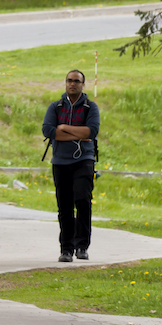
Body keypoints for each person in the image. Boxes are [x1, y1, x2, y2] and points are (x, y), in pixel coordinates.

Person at [42, 69, 99, 262]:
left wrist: (64, 128)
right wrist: (78, 133)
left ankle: (82, 246)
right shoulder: (55, 107)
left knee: (82, 200)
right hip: (60, 161)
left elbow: (91, 131)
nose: (72, 84)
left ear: (83, 85)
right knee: (64, 206)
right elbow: (48, 130)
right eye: (69, 80)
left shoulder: (91, 108)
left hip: (84, 159)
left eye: (76, 81)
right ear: (65, 83)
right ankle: (66, 249)